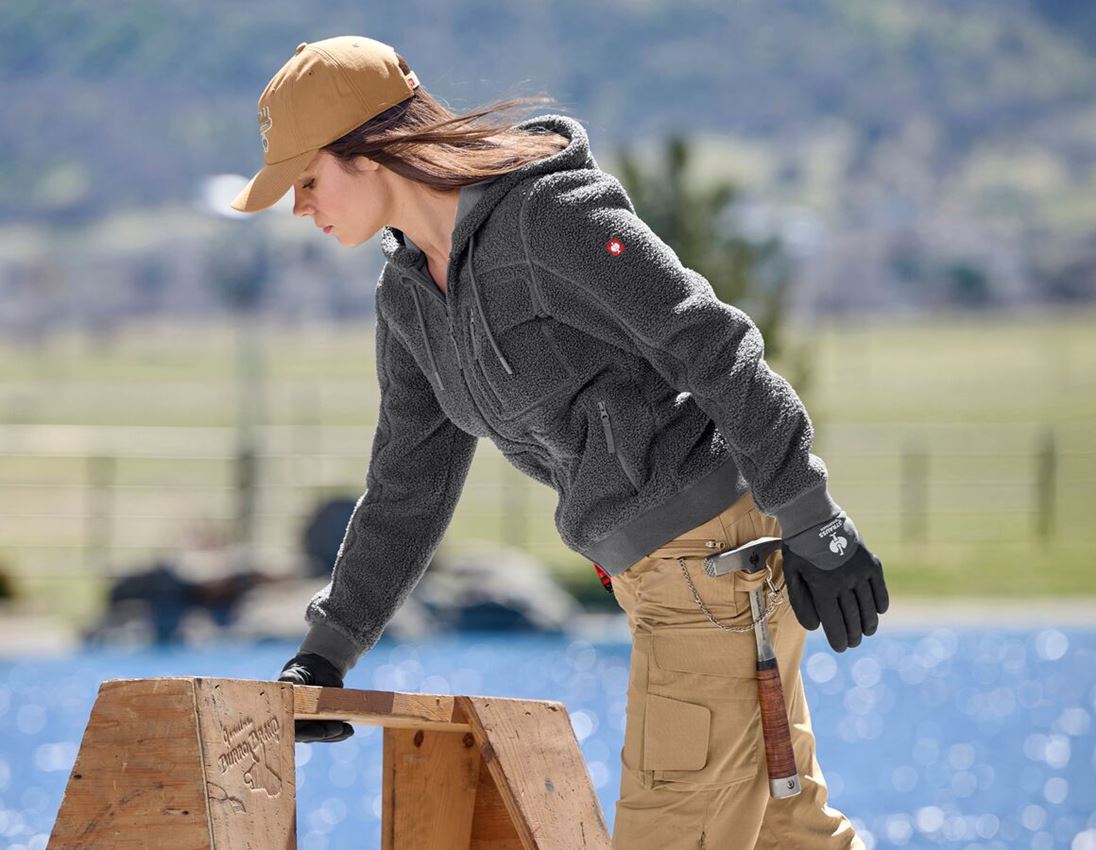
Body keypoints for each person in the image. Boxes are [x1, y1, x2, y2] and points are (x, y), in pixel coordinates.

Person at [232, 35, 889, 850]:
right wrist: (328, 650)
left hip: (716, 571)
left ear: (370, 151)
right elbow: (409, 484)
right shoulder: (408, 298)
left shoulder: (550, 220)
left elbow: (711, 343)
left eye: (306, 180)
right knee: (789, 837)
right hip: (665, 583)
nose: (301, 207)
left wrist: (812, 515)